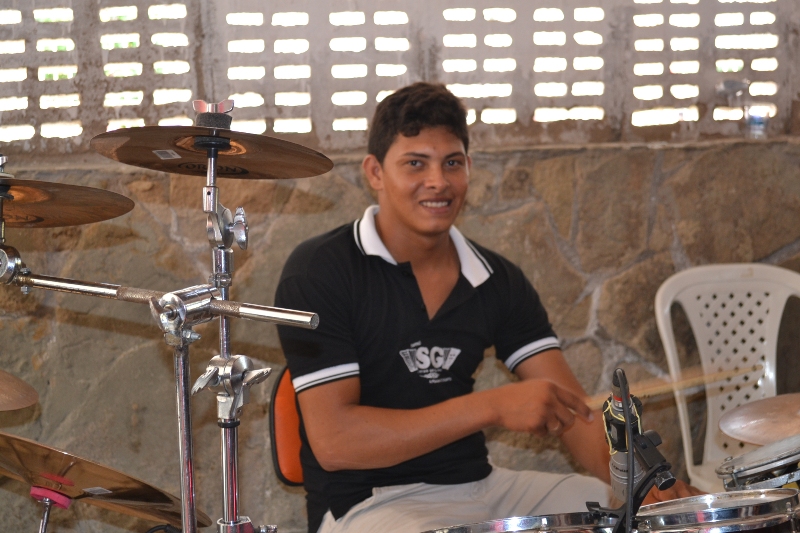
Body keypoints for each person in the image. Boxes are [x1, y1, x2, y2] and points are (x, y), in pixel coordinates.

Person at [275, 82, 700, 533]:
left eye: (452, 163)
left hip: (483, 486)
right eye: (415, 163)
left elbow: (577, 415)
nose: (438, 181)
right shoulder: (320, 270)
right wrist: (493, 406)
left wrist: (641, 485)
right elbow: (336, 442)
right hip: (366, 505)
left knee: (639, 518)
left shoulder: (497, 279)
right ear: (375, 172)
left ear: (468, 168)